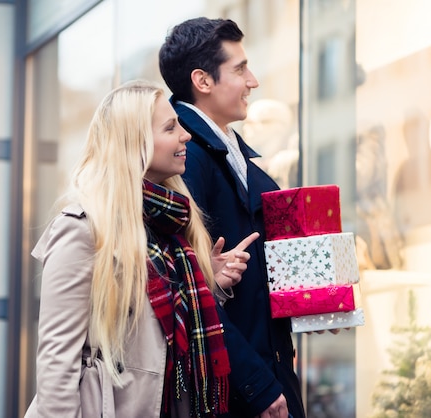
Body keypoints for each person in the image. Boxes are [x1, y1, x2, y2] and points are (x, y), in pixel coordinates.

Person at [23, 80, 259, 418]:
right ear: (135, 143)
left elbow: (164, 335)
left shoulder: (169, 228)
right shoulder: (81, 229)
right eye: (170, 127)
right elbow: (57, 363)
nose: (186, 135)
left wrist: (212, 287)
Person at [159, 17, 305, 418]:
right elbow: (190, 291)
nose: (252, 81)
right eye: (240, 69)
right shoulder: (185, 159)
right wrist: (256, 386)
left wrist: (317, 304)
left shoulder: (233, 151)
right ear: (203, 81)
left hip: (264, 377)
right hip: (238, 392)